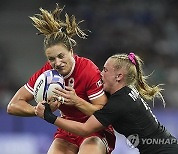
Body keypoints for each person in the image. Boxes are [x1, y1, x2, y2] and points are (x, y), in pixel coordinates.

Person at [7, 4, 115, 154]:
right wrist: (39, 111)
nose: (57, 63)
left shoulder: (87, 70)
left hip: (94, 129)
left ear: (71, 51)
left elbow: (104, 113)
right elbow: (12, 106)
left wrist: (77, 101)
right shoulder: (47, 73)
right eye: (51, 59)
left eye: (61, 56)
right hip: (68, 130)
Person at [35, 53, 178, 154]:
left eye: (105, 70)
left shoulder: (119, 103)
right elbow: (95, 110)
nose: (100, 73)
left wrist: (50, 117)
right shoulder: (124, 93)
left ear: (118, 76)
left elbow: (85, 129)